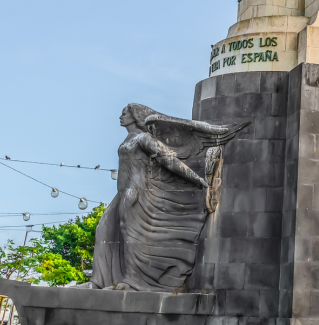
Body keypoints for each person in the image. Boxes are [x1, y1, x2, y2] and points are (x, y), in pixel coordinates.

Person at [91, 104, 241, 292]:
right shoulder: (129, 139)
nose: (120, 117)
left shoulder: (144, 138)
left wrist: (197, 179)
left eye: (125, 113)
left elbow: (168, 159)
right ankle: (98, 280)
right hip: (120, 193)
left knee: (131, 235)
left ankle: (132, 282)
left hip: (135, 190)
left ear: (135, 116)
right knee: (103, 230)